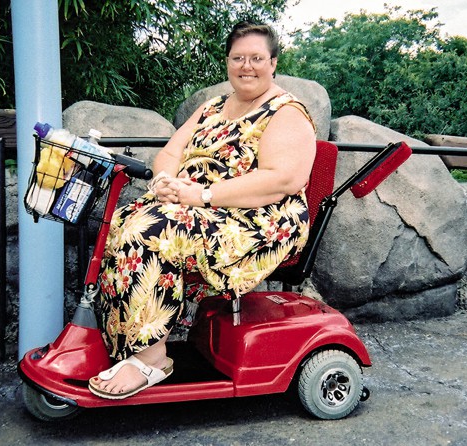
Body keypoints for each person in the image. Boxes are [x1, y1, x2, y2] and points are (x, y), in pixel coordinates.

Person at [88, 21, 317, 399]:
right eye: (238, 58)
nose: (247, 66)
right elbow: (171, 153)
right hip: (201, 205)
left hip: (261, 219)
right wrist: (163, 180)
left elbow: (282, 180)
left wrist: (204, 196)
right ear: (227, 62)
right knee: (126, 220)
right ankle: (126, 344)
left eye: (257, 58)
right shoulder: (213, 107)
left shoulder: (285, 111)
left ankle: (151, 357)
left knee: (154, 231)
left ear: (273, 63)